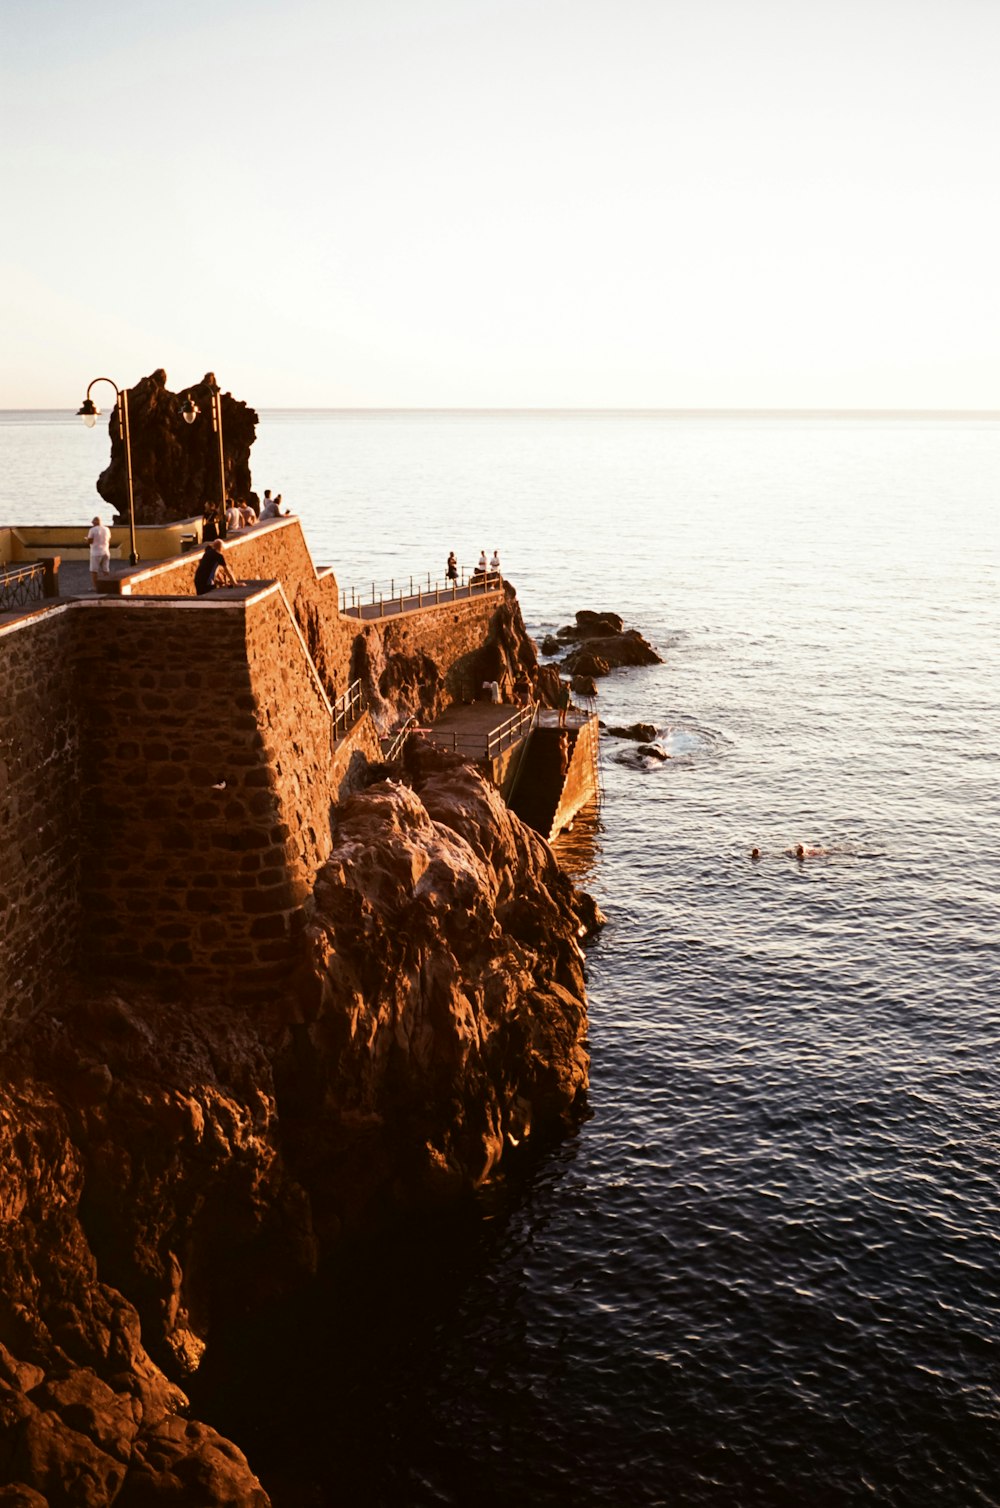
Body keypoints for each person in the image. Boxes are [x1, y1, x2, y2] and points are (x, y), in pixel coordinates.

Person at [86, 516, 111, 589]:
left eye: (93, 522)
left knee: (94, 571)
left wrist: (86, 540)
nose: (92, 523)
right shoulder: (107, 529)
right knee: (106, 570)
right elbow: (108, 539)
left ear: (95, 522)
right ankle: (108, 585)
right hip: (106, 551)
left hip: (96, 553)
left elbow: (90, 541)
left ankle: (95, 587)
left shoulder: (92, 530)